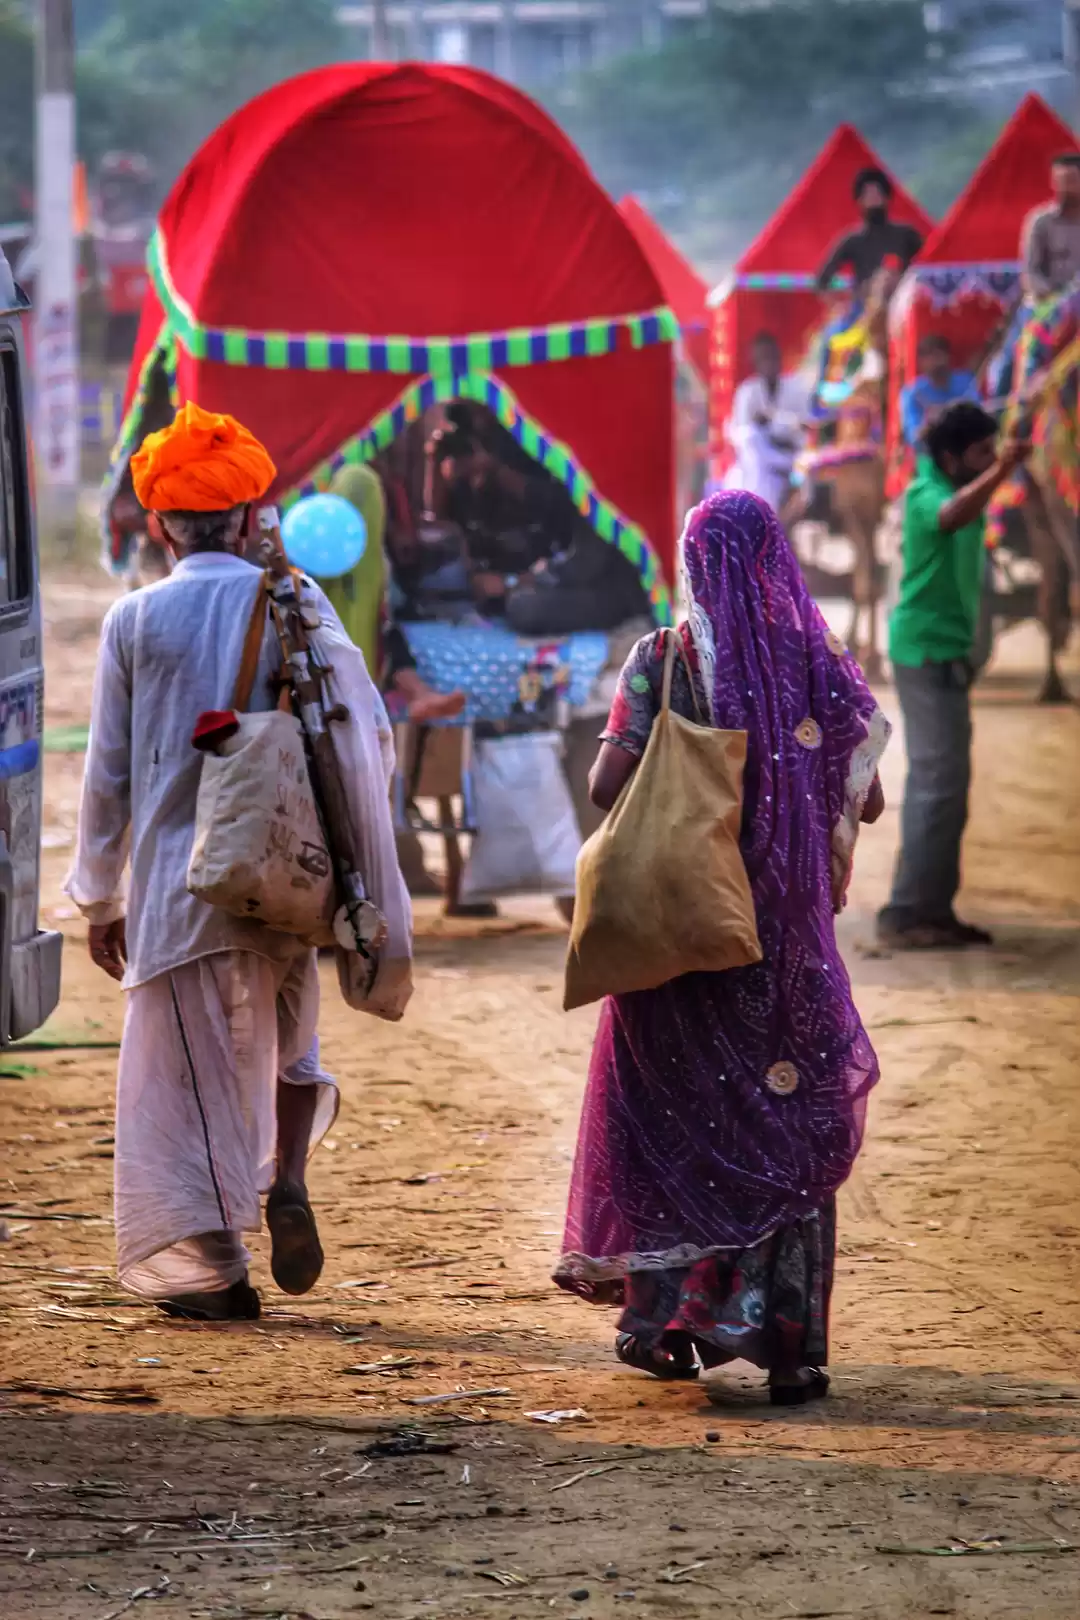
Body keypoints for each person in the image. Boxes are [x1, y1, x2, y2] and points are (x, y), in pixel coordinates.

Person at [66, 401, 408, 1320]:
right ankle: (287, 1177)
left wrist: (100, 897)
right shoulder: (297, 601)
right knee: (291, 1040)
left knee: (188, 1072)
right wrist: (356, 865)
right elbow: (366, 730)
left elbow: (108, 776)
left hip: (183, 888)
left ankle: (214, 1266)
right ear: (253, 515)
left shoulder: (136, 620)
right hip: (290, 876)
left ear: (158, 523)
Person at [555, 490, 890, 1401]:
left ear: (694, 565)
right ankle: (790, 1344)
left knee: (670, 1117)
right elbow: (869, 798)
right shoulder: (818, 669)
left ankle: (669, 1322)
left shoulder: (661, 660)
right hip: (782, 948)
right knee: (787, 1123)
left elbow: (603, 785)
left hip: (680, 939)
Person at [878, 402, 1031, 951]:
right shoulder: (925, 496)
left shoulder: (957, 487)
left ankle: (932, 909)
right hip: (925, 655)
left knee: (946, 788)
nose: (989, 460)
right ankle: (907, 911)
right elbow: (952, 516)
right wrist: (1004, 470)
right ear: (950, 458)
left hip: (945, 656)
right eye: (980, 453)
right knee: (935, 787)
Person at [724, 331, 810, 511]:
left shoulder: (797, 387)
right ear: (755, 363)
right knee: (750, 438)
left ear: (779, 358)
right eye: (763, 359)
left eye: (772, 357)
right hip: (760, 460)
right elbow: (740, 434)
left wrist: (775, 421)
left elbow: (805, 426)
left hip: (791, 456)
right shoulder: (747, 392)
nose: (769, 363)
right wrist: (759, 425)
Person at [816, 168, 923, 296]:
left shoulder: (906, 235)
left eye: (877, 194)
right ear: (860, 201)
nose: (873, 199)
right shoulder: (853, 240)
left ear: (886, 197)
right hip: (865, 307)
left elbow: (930, 266)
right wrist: (839, 304)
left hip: (901, 303)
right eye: (868, 195)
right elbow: (822, 280)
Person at [900, 335, 979, 450]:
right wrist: (931, 423)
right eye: (929, 356)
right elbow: (913, 436)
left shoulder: (966, 380)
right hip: (931, 456)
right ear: (920, 362)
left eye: (939, 355)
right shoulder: (912, 393)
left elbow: (979, 411)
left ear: (948, 356)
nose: (936, 362)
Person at [1021, 153, 1080, 302]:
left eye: (1070, 181)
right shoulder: (1041, 222)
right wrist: (1053, 297)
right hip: (1050, 304)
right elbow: (1031, 272)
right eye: (1059, 181)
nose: (1064, 188)